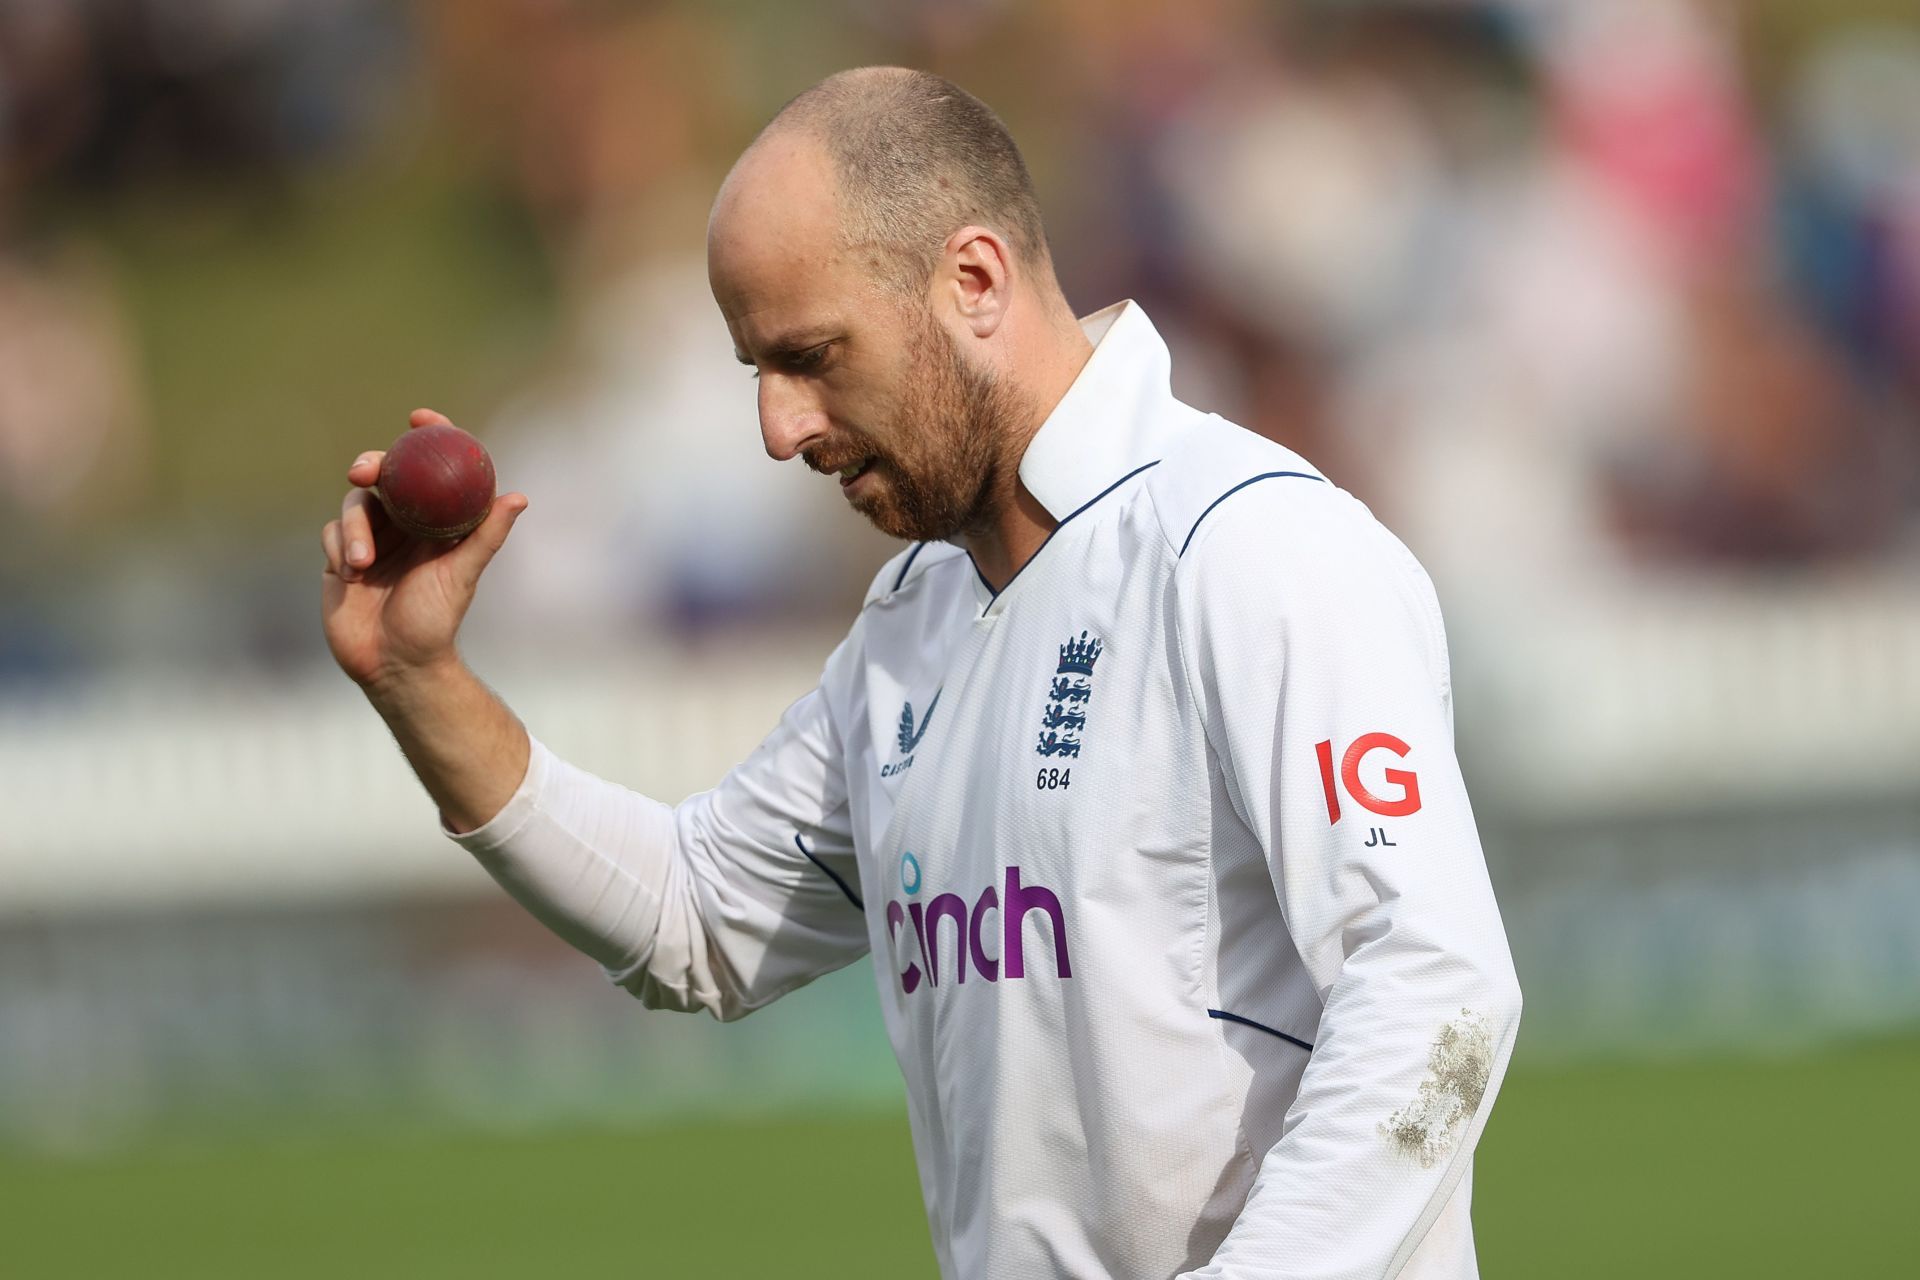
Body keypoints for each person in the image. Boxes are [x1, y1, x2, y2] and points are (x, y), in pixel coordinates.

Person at [320, 67, 1522, 1280]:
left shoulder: (1252, 548)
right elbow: (697, 915)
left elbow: (1436, 995)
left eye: (811, 356)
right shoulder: (917, 619)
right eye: (756, 372)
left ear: (976, 281)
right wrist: (418, 675)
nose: (779, 428)